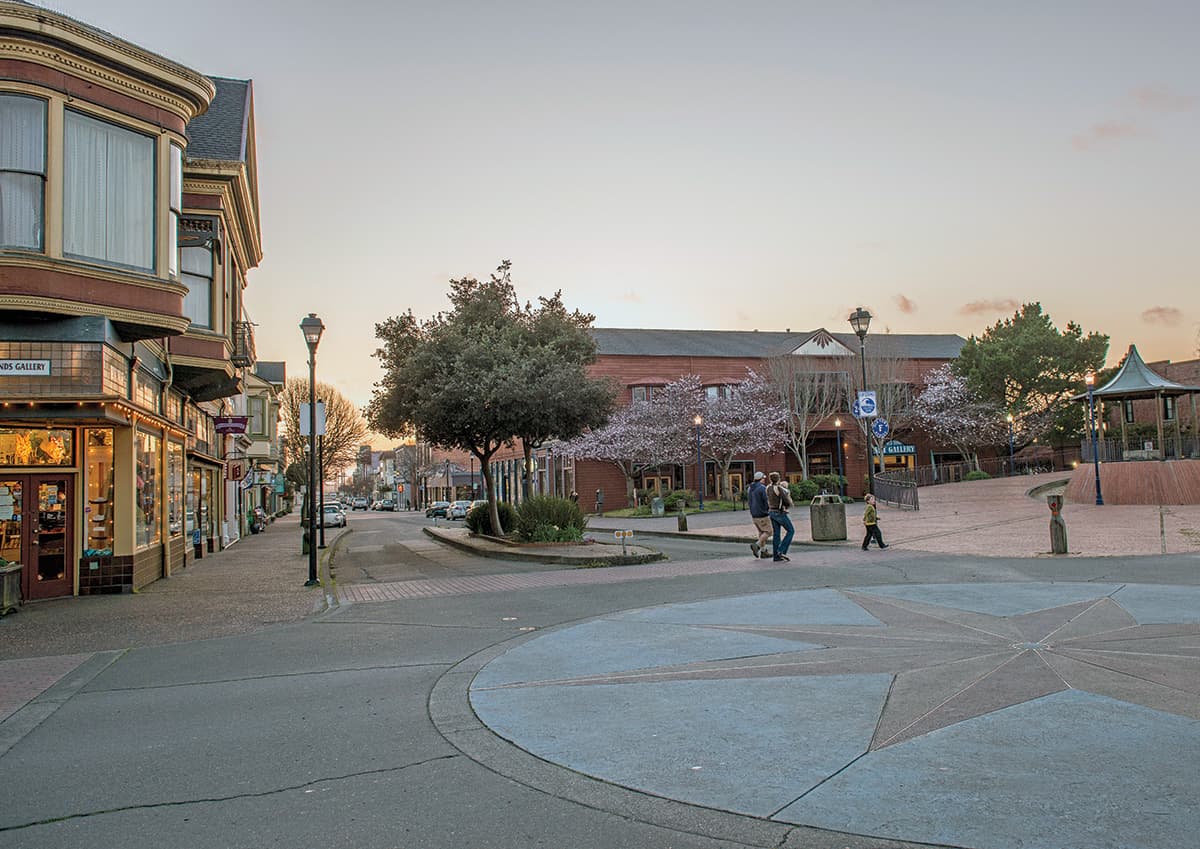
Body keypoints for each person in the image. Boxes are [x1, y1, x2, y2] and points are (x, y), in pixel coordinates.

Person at [765, 472, 794, 562]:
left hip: (771, 512)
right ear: (778, 479)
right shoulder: (778, 488)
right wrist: (788, 506)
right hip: (779, 512)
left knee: (776, 534)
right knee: (791, 530)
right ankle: (781, 550)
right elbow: (786, 500)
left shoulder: (768, 488)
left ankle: (776, 556)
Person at [747, 471, 771, 558]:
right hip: (762, 514)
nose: (764, 480)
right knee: (769, 531)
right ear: (760, 479)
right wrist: (767, 509)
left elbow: (749, 501)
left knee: (761, 532)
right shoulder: (762, 488)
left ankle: (764, 551)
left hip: (754, 514)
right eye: (763, 478)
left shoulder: (750, 488)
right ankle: (756, 545)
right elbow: (766, 500)